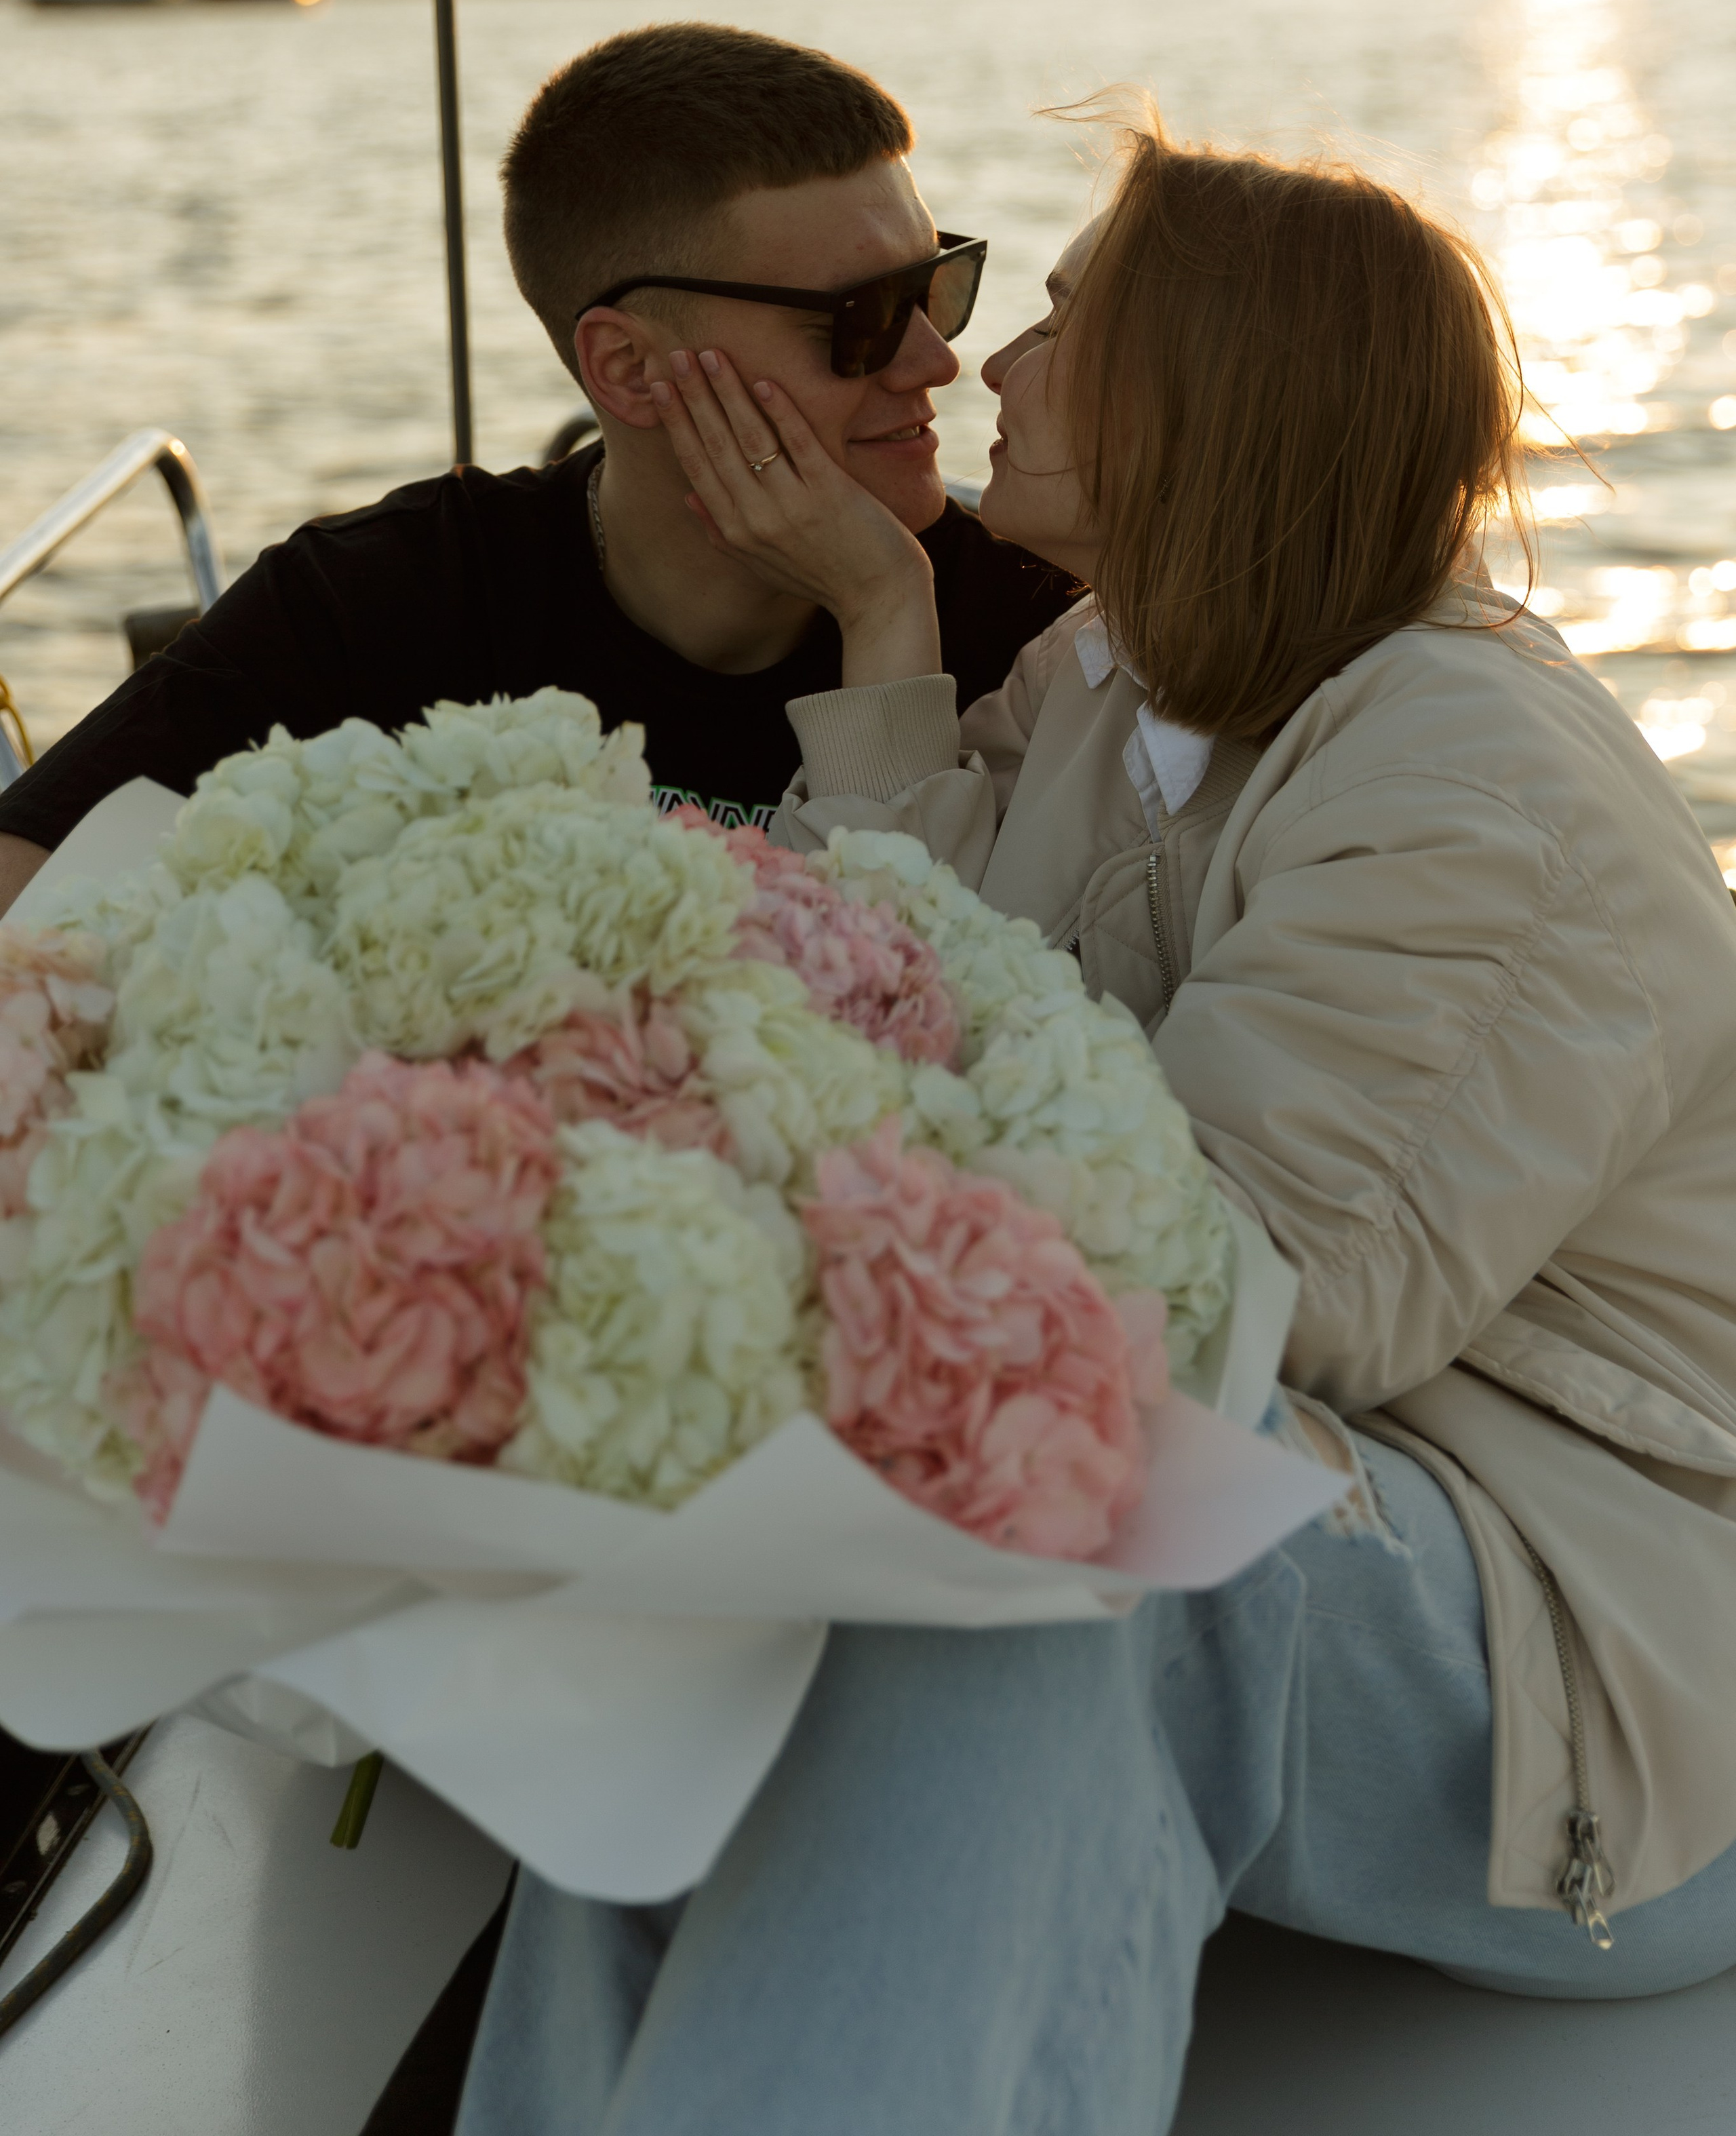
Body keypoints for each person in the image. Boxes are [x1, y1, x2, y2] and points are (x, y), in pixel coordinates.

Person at [453, 119, 1736, 2135]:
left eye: (1061, 315)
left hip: (1591, 1645)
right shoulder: (1120, 666)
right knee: (732, 1510)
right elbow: (896, 988)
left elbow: (1247, 1296)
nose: (998, 365)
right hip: (1345, 1498)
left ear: (1210, 394)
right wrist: (886, 623)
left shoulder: (1469, 779)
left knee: (1051, 1477)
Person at [0, 23, 1071, 913]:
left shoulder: (1031, 626)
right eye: (862, 319)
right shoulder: (388, 602)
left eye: (936, 285)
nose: (938, 359)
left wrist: (885, 600)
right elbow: (21, 887)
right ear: (627, 367)